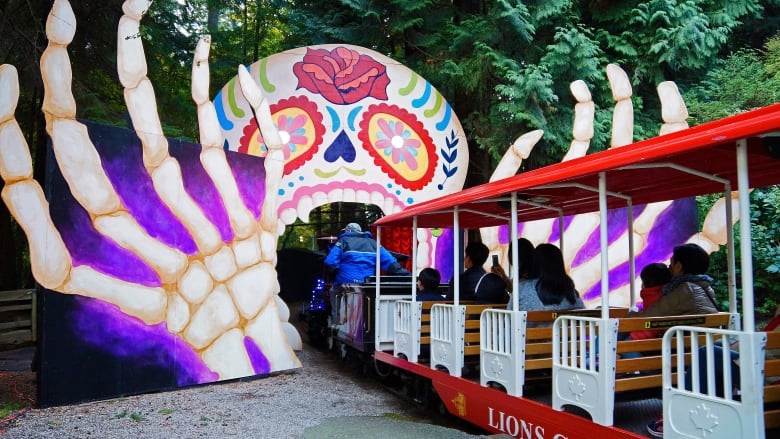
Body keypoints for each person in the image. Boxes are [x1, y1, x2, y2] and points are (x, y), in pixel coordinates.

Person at [324, 222, 409, 325]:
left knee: (334, 291)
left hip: (345, 282)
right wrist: (408, 275)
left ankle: (336, 324)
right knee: (370, 297)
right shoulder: (374, 244)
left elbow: (330, 262)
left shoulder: (343, 242)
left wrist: (336, 274)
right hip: (366, 283)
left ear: (348, 231)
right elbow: (390, 263)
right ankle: (369, 324)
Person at [630, 243, 719, 318]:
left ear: (678, 266)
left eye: (671, 264)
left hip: (688, 338)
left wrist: (624, 319)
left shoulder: (685, 290)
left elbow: (652, 315)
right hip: (701, 336)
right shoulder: (704, 287)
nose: (668, 268)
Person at [512, 243, 584, 312]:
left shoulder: (521, 288)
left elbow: (509, 317)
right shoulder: (570, 291)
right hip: (563, 324)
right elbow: (583, 314)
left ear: (535, 263)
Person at [627, 262, 672, 341]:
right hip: (657, 331)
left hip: (650, 330)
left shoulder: (650, 295)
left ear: (648, 283)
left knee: (625, 346)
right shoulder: (668, 293)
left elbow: (648, 316)